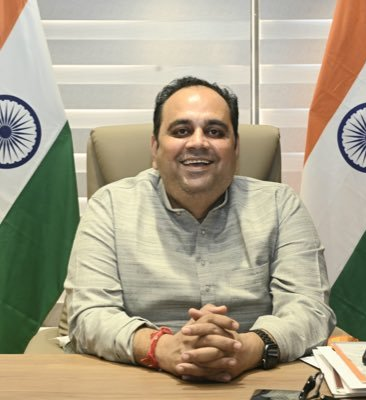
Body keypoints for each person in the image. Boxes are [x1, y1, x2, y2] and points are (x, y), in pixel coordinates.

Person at [64, 76, 336, 383]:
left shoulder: (280, 204)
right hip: (137, 376)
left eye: (215, 131)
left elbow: (311, 311)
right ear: (155, 148)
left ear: (236, 149)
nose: (197, 142)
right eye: (181, 131)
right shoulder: (110, 206)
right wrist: (162, 348)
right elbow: (88, 315)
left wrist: (247, 348)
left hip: (254, 378)